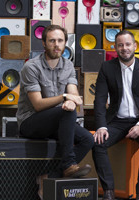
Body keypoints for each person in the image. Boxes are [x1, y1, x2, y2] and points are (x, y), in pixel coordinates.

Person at [16, 25, 94, 198]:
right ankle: (68, 164)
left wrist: (72, 100)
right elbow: (37, 104)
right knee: (65, 111)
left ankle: (49, 176)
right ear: (44, 43)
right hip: (31, 121)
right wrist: (65, 98)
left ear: (66, 43)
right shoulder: (31, 67)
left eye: (60, 41)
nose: (56, 45)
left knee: (88, 139)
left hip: (57, 119)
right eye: (52, 41)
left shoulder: (68, 66)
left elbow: (73, 92)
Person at [92, 30, 139, 200]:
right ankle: (109, 191)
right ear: (115, 48)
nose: (124, 48)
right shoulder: (107, 68)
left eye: (128, 44)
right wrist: (101, 126)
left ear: (135, 46)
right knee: (97, 144)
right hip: (116, 121)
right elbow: (99, 101)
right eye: (120, 45)